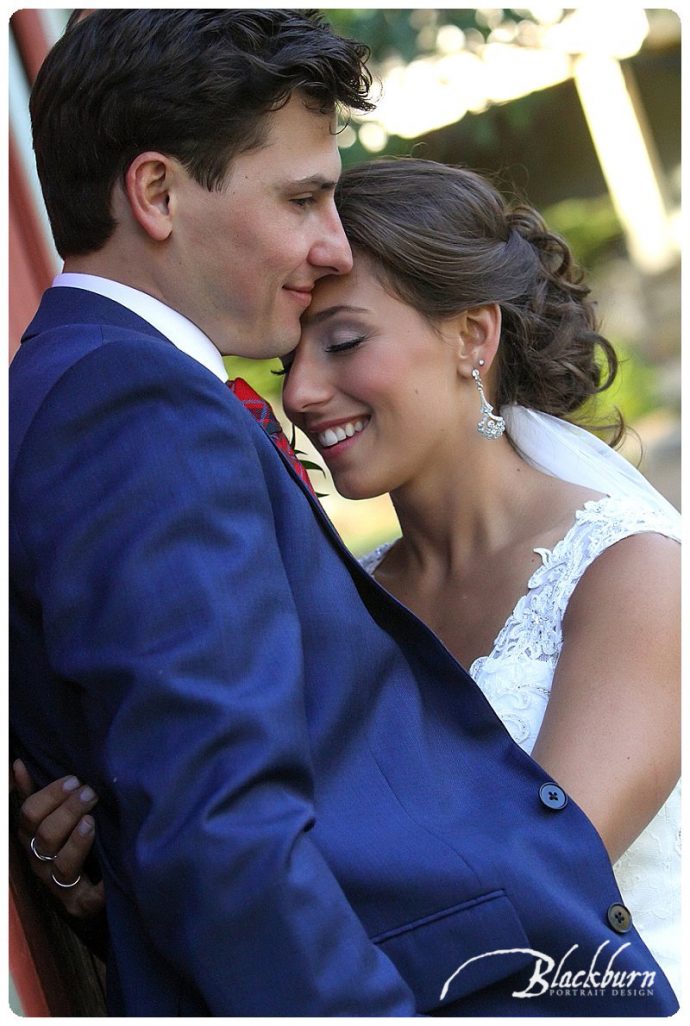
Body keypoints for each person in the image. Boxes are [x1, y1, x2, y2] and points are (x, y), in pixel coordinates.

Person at [9, 9, 678, 1017]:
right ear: (155, 191)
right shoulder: (134, 407)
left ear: (473, 337)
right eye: (303, 197)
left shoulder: (81, 392)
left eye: (346, 340)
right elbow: (222, 835)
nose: (305, 396)